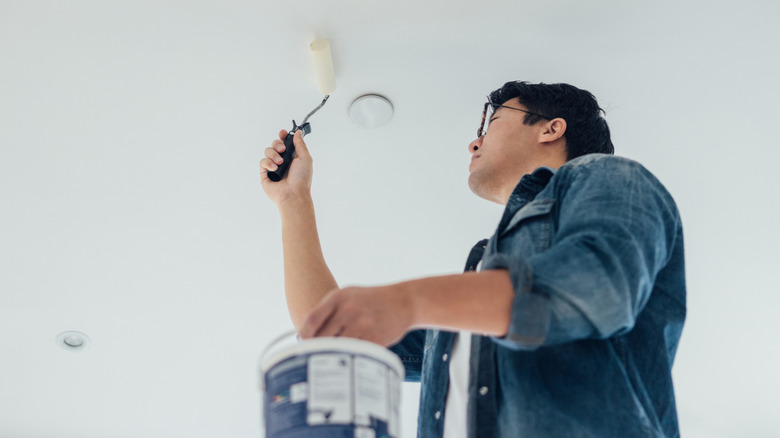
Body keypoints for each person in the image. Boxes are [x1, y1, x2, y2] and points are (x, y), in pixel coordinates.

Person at [259, 81, 686, 438]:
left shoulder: (610, 178)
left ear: (552, 129)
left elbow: (592, 288)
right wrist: (293, 200)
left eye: (493, 121)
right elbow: (331, 335)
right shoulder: (480, 281)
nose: (474, 141)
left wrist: (408, 301)